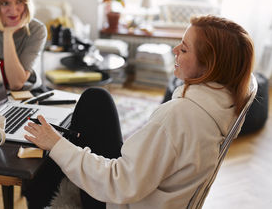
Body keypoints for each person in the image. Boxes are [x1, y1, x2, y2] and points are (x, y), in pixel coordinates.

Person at [22, 15, 255, 208]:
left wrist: (57, 145)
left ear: (209, 66)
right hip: (145, 191)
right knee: (96, 101)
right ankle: (38, 189)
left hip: (123, 201)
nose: (174, 50)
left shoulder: (179, 117)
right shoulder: (221, 107)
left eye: (183, 49)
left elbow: (118, 184)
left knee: (88, 108)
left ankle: (36, 194)